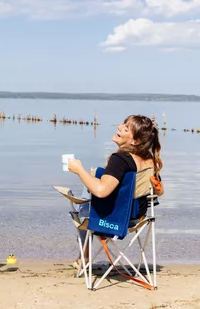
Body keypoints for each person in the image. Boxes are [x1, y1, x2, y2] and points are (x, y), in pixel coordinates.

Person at [68, 114, 164, 267]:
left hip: (115, 220)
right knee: (90, 188)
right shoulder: (149, 160)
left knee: (84, 199)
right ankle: (84, 256)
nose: (119, 127)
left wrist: (79, 170)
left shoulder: (120, 160)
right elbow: (159, 192)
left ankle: (84, 256)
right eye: (122, 124)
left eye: (126, 128)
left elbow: (101, 191)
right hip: (138, 219)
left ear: (135, 141)